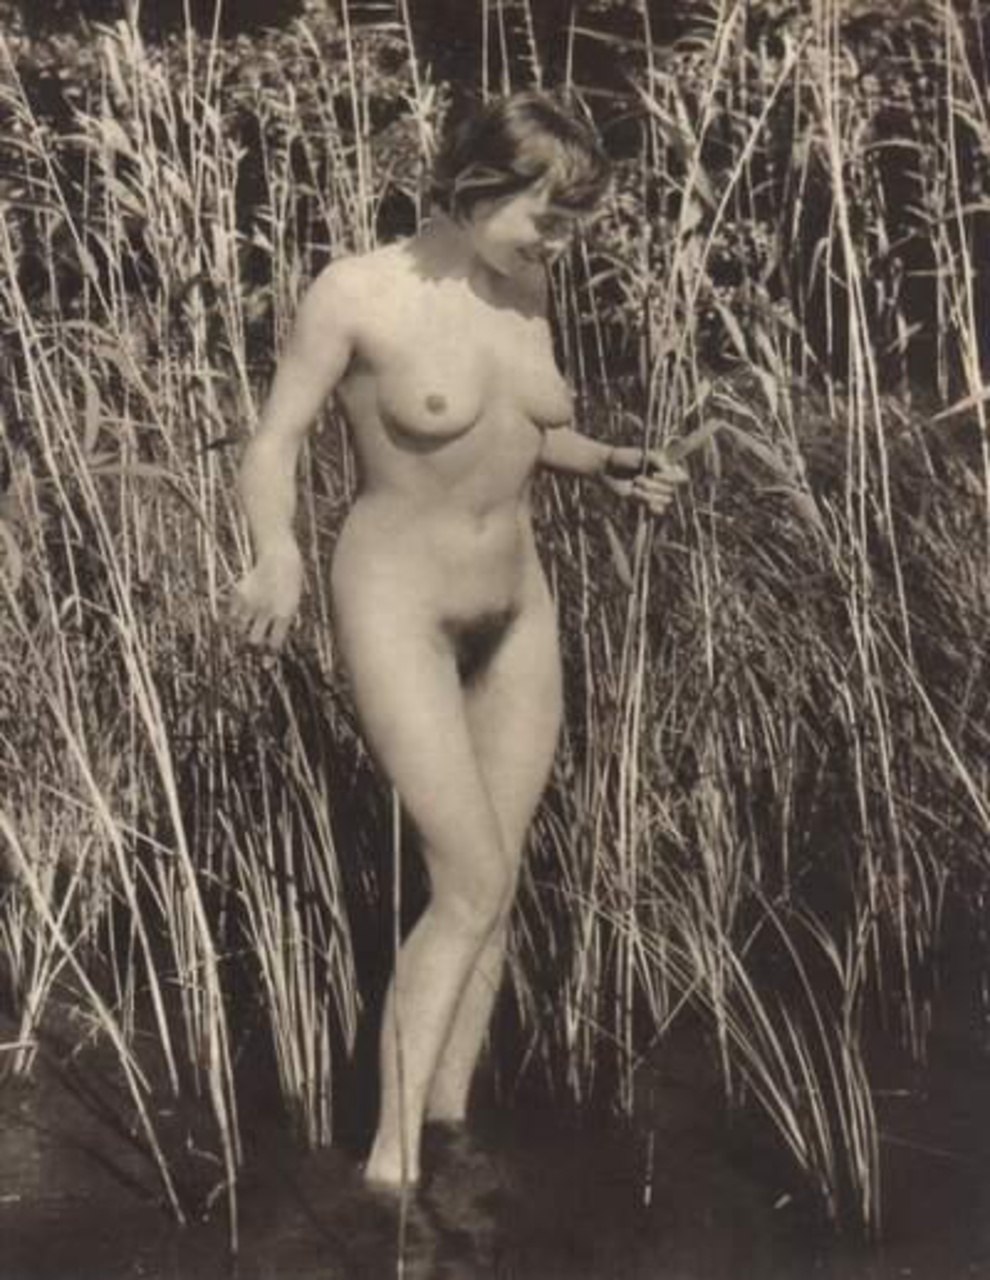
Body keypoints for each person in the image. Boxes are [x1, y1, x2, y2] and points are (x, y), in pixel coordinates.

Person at [230, 90, 687, 1192]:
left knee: (497, 881)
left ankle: (447, 1133)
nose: (558, 242)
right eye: (545, 217)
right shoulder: (357, 291)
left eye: (571, 224)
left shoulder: (525, 280)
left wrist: (605, 460)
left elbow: (520, 427)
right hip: (400, 606)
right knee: (470, 878)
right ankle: (388, 1183)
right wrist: (277, 551)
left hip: (519, 605)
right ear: (478, 185)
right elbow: (275, 440)